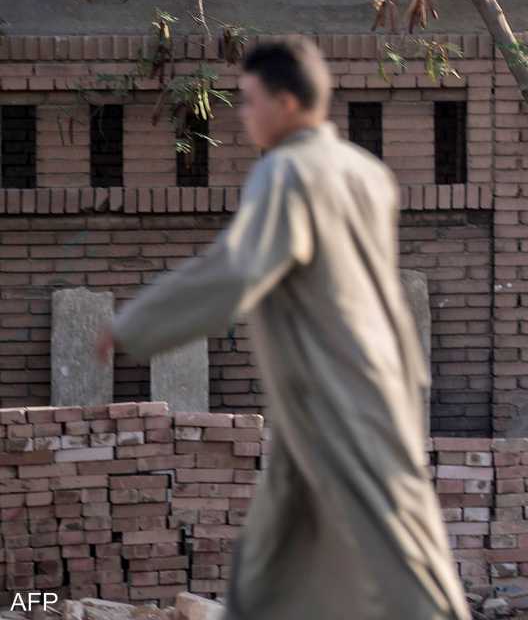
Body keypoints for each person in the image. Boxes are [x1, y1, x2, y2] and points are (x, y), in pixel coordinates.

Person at [95, 38, 471, 620]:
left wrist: (132, 326)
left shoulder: (287, 172)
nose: (242, 116)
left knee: (401, 547)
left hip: (338, 395)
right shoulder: (366, 172)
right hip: (352, 388)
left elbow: (236, 268)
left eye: (249, 102)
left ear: (288, 103)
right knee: (270, 558)